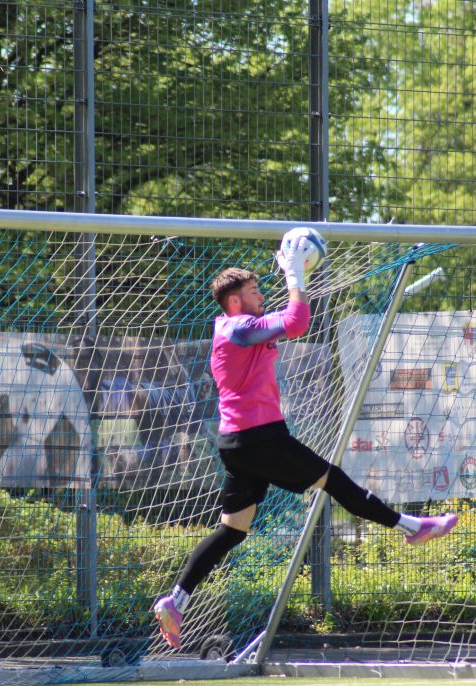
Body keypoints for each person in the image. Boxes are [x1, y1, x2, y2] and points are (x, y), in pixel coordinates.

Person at [152, 228, 458, 650]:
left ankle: (176, 600)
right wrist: (295, 274)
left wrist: (298, 277)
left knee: (233, 530)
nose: (262, 295)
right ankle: (412, 526)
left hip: (238, 442)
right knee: (332, 479)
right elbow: (296, 322)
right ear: (235, 300)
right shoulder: (238, 328)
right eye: (255, 291)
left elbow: (287, 319)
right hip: (260, 439)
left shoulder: (235, 327)